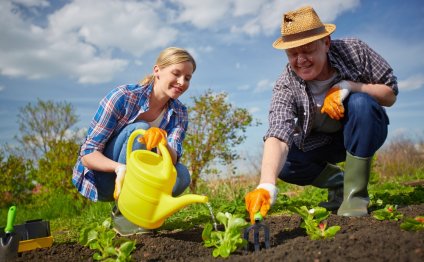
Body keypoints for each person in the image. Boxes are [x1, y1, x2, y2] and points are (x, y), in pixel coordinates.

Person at [245, 6, 398, 223]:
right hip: (323, 143)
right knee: (286, 163)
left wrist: (348, 86)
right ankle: (339, 183)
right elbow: (278, 133)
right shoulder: (285, 85)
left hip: (363, 129)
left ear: (326, 43)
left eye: (307, 50)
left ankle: (355, 196)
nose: (301, 60)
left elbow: (390, 94)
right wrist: (266, 184)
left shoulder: (354, 51)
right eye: (292, 53)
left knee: (361, 103)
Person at [72, 47, 196, 235]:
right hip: (107, 178)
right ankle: (124, 213)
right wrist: (120, 168)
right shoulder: (123, 97)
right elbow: (87, 154)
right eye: (176, 74)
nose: (181, 82)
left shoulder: (179, 113)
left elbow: (173, 158)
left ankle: (141, 212)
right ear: (157, 71)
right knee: (140, 131)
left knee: (182, 175)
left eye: (187, 78)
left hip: (141, 179)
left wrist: (162, 142)